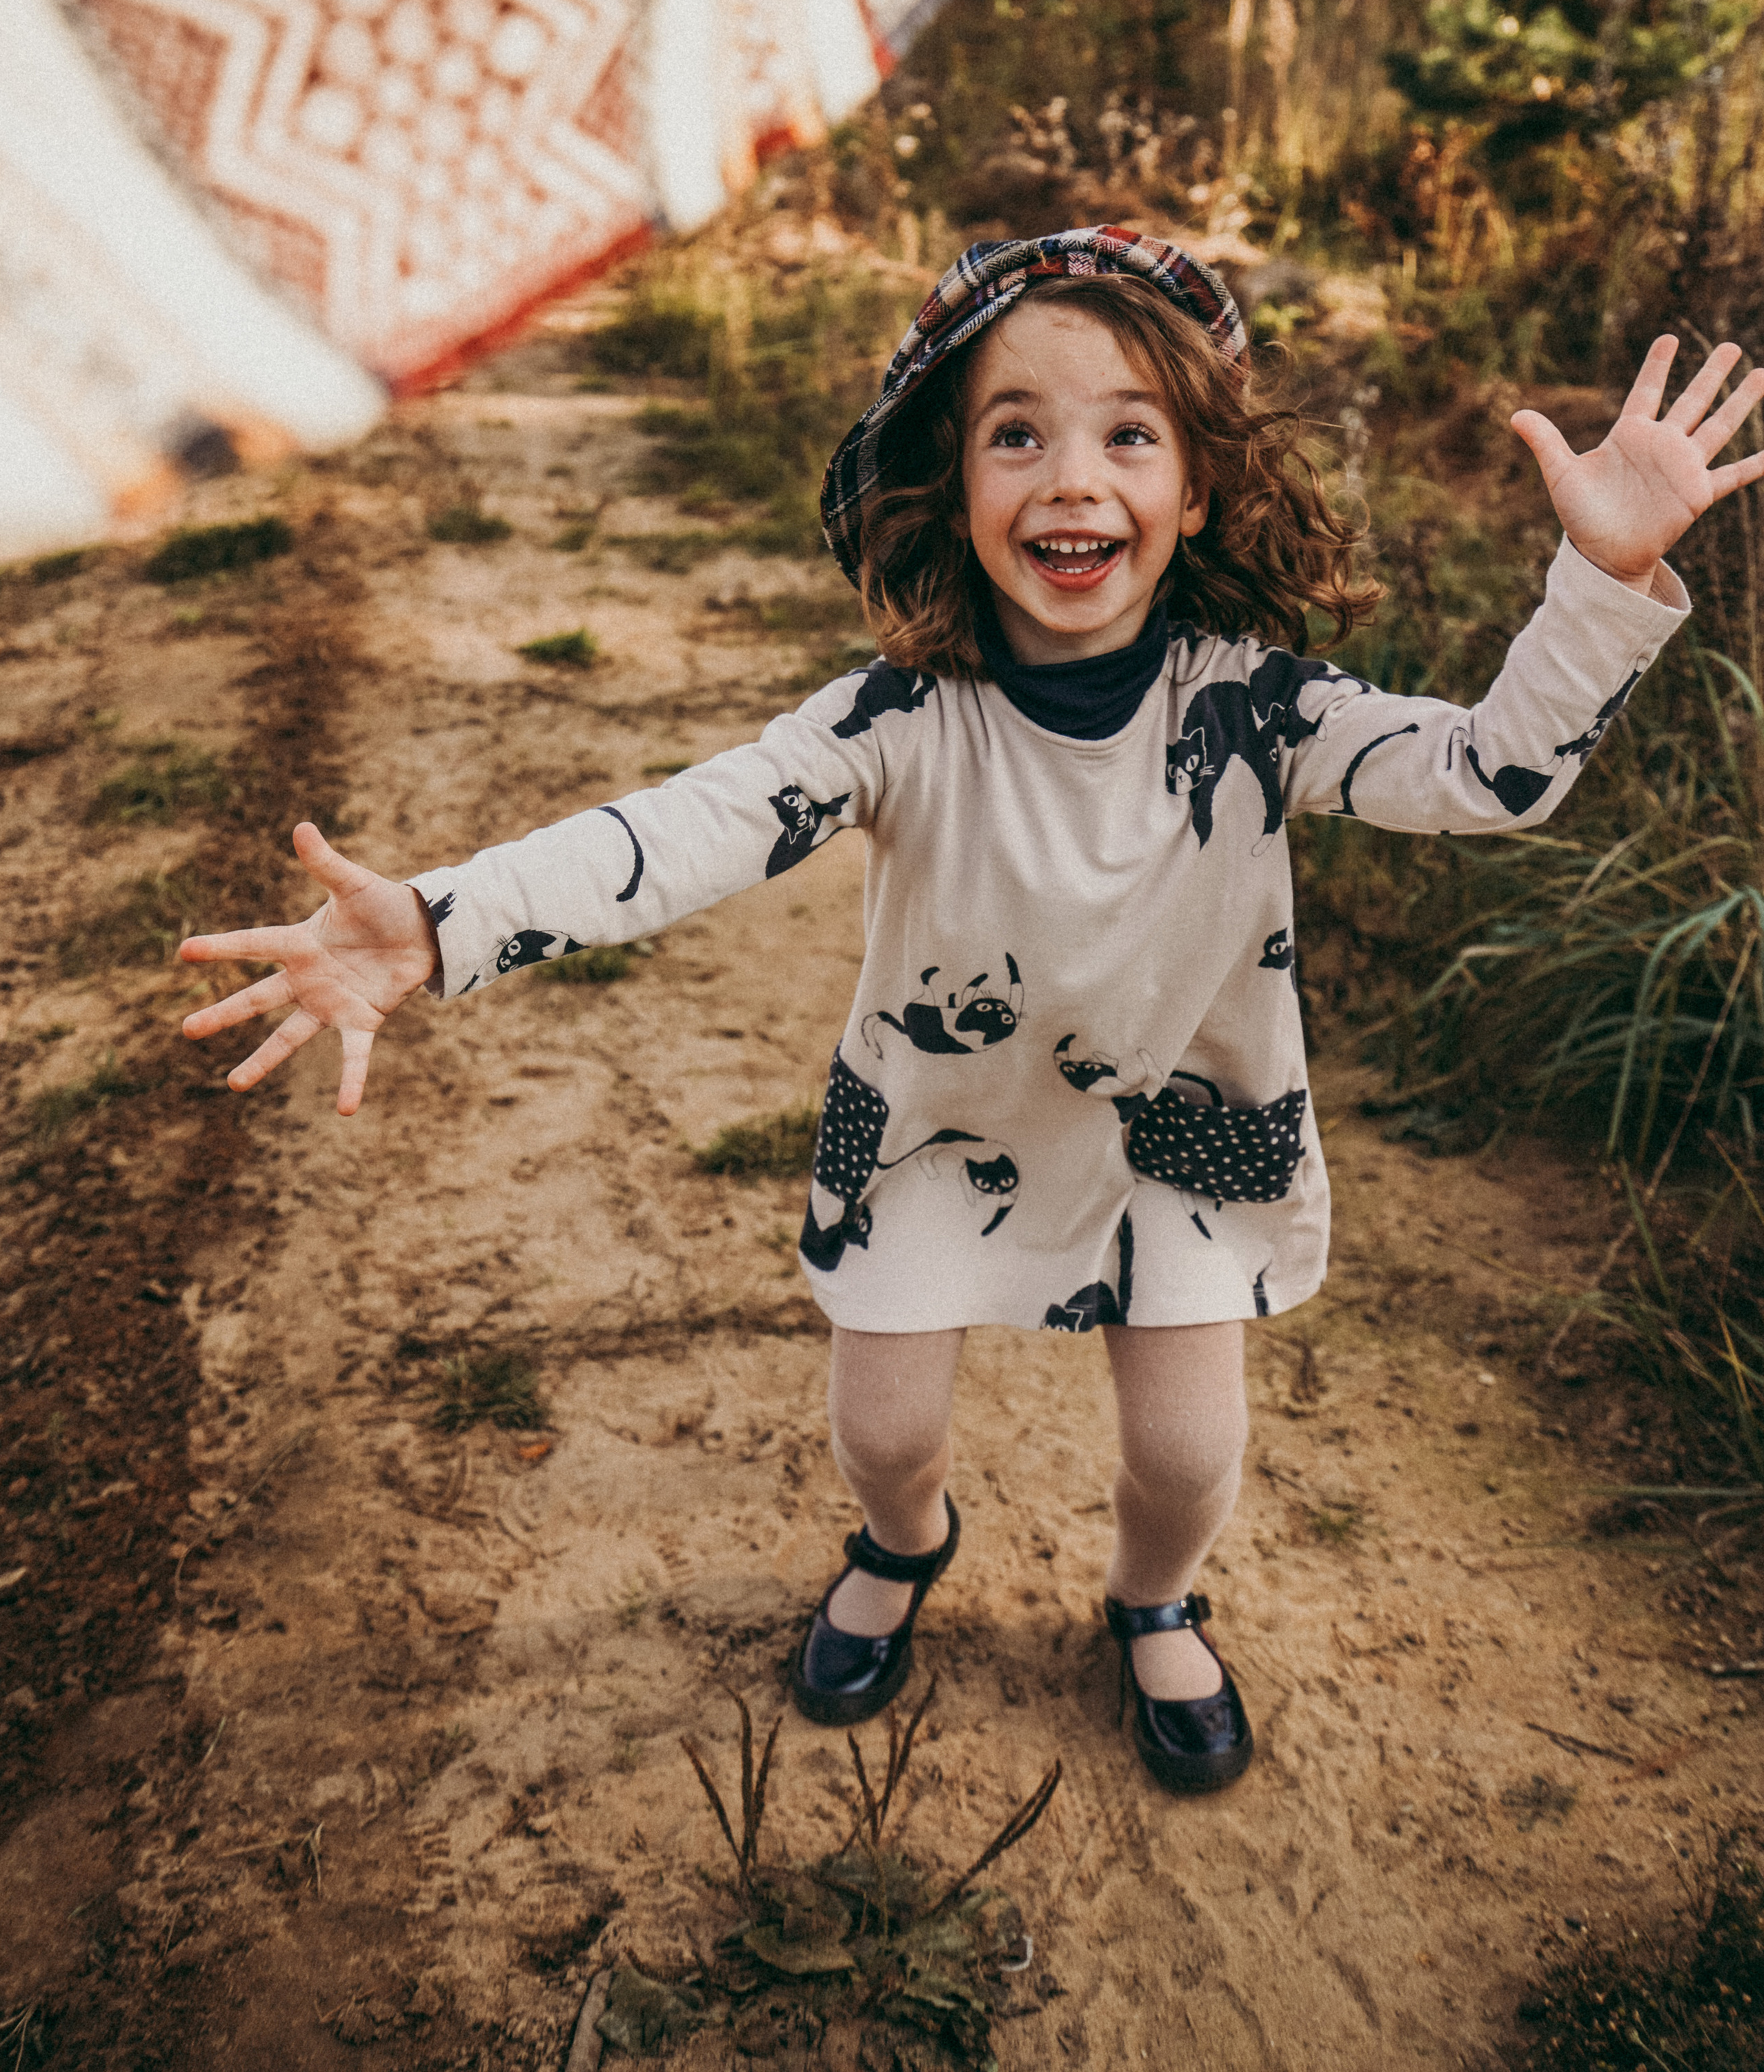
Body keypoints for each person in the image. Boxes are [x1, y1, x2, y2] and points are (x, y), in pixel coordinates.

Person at [177, 226, 1763, 1796]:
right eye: (1018, 433)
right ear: (955, 484)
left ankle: (1152, 1596)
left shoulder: (1258, 706)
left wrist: (1600, 578)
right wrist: (442, 923)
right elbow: (678, 831)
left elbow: (1489, 774)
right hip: (939, 1131)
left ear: (1192, 488)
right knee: (879, 1426)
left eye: (1126, 433)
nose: (1071, 478)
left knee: (1188, 1454)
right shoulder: (892, 719)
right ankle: (901, 1545)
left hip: (1180, 1137)